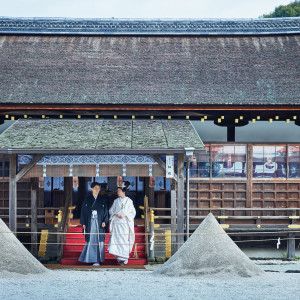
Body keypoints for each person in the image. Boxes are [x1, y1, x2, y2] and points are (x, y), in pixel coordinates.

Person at [79, 182, 108, 266]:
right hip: (90, 222)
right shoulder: (87, 200)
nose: (97, 190)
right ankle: (89, 258)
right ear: (91, 189)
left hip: (99, 223)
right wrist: (83, 223)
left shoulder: (102, 200)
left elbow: (105, 212)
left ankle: (97, 260)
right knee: (91, 240)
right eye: (95, 188)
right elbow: (83, 212)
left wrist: (104, 221)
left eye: (98, 188)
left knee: (99, 240)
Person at [108, 187, 136, 266]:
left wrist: (125, 214)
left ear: (123, 192)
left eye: (119, 191)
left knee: (124, 239)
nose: (118, 193)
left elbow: (133, 212)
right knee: (117, 239)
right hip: (117, 223)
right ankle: (119, 258)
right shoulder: (116, 201)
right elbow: (111, 210)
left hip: (125, 223)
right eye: (117, 191)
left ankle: (124, 257)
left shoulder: (129, 201)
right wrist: (116, 214)